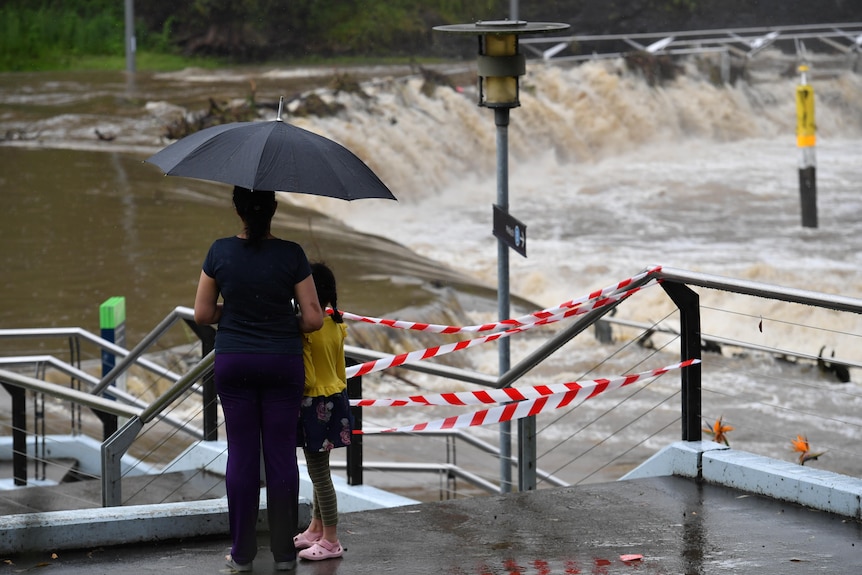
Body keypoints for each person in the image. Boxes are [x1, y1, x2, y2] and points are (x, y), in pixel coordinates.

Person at [194, 186, 324, 573]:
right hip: (282, 361)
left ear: (238, 211)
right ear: (274, 210)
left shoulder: (219, 251)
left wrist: (233, 312)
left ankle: (242, 554)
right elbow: (314, 318)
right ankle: (285, 555)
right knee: (282, 455)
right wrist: (282, 322)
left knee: (243, 456)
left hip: (234, 361)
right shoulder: (292, 254)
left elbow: (202, 314)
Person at [293, 262, 353, 561]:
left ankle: (331, 540)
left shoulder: (308, 330)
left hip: (313, 403)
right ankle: (316, 529)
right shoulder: (337, 325)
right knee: (321, 470)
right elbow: (340, 372)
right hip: (337, 399)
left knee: (319, 475)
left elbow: (308, 379)